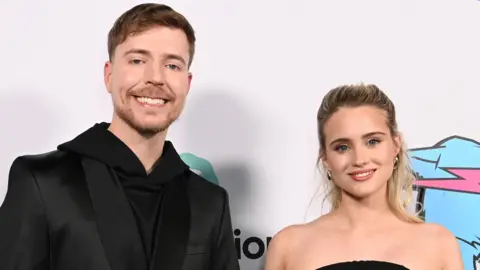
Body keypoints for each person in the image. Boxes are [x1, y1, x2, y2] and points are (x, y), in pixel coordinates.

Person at [0, 3, 239, 270]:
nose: (156, 78)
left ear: (187, 83)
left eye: (172, 65)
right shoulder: (42, 182)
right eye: (138, 60)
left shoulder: (209, 203)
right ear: (109, 75)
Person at [264, 83, 463, 270]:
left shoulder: (438, 243)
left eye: (373, 141)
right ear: (325, 158)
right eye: (342, 147)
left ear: (395, 145)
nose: (359, 159)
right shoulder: (288, 246)